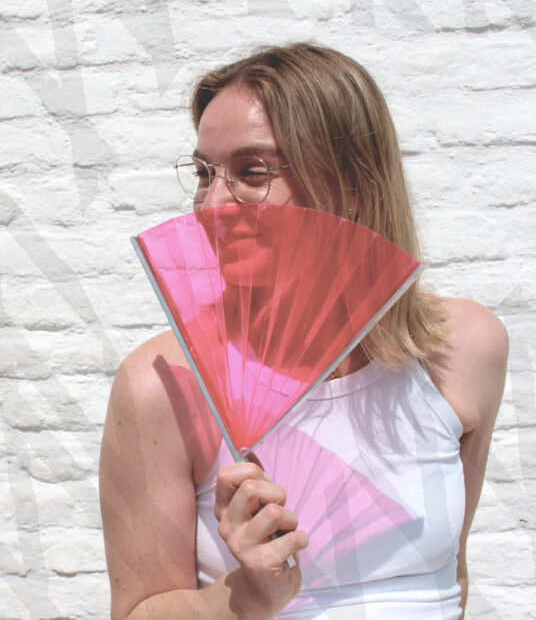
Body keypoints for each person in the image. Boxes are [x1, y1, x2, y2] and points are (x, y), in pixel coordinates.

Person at [100, 43, 508, 618]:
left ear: (353, 182)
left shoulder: (463, 350)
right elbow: (137, 611)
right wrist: (245, 596)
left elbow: (449, 574)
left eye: (252, 172)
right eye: (203, 173)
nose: (211, 205)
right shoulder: (162, 384)